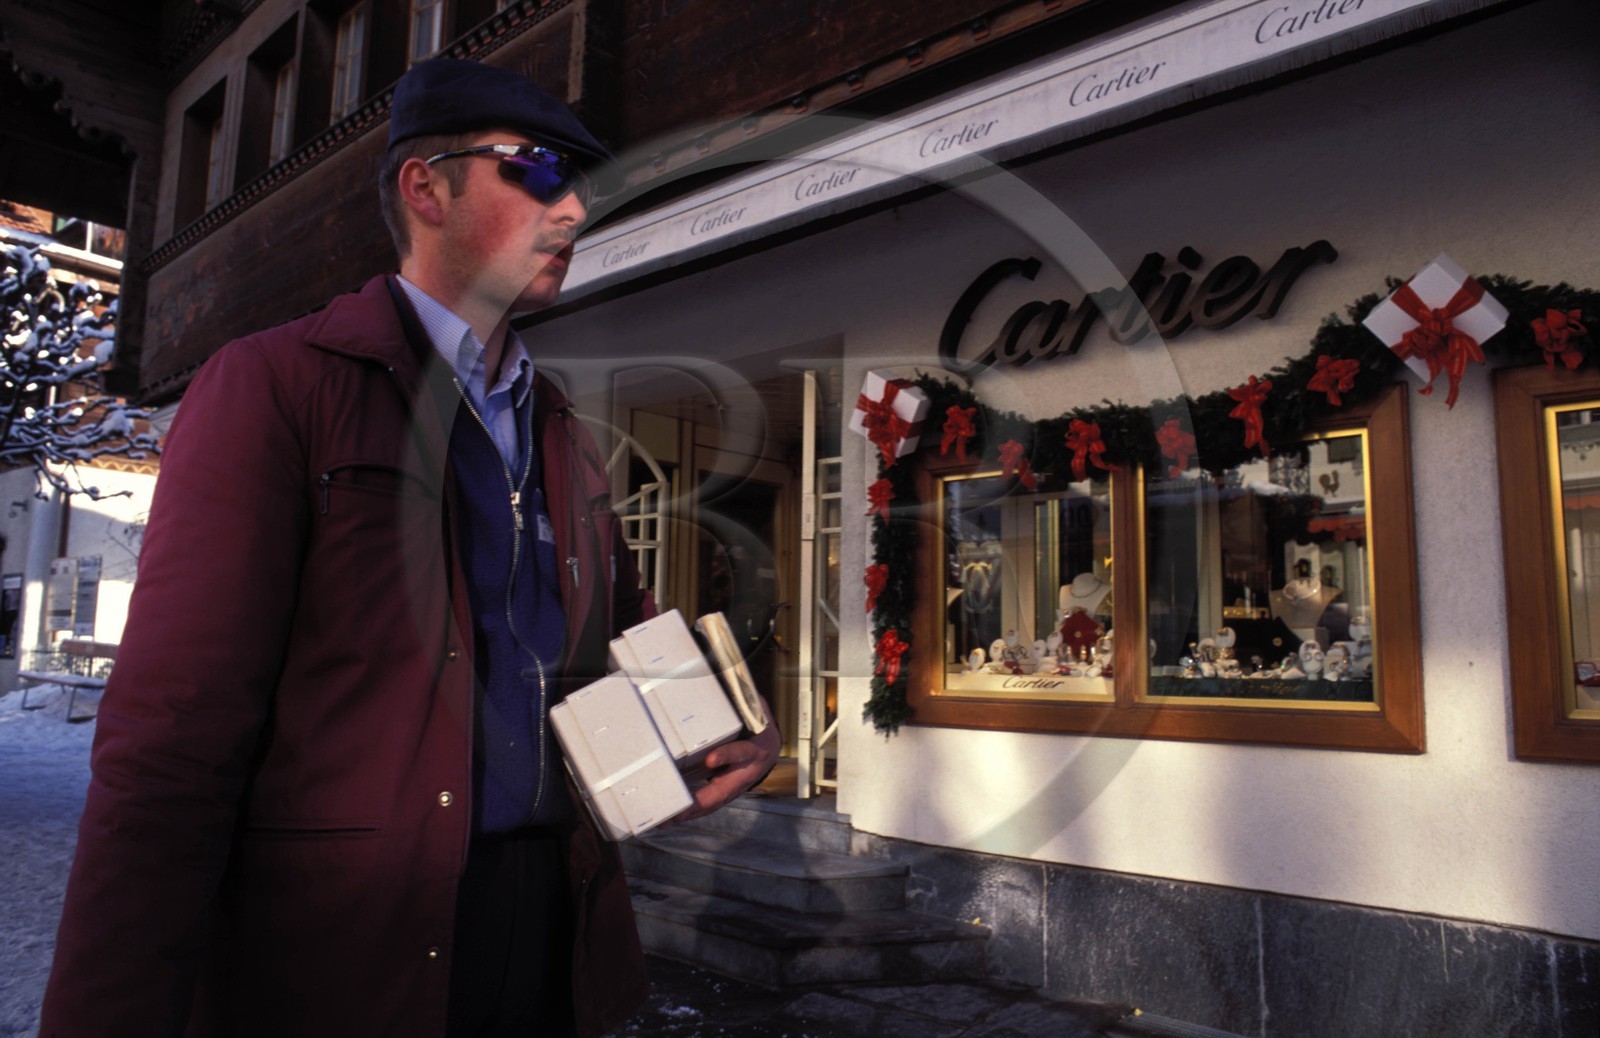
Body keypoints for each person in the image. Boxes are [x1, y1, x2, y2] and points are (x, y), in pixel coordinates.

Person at [40, 58, 780, 1038]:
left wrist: (712, 728)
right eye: (538, 172)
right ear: (424, 187)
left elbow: (617, 636)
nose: (571, 210)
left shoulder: (556, 421)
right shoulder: (274, 387)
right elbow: (172, 745)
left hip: (550, 921)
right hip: (350, 951)